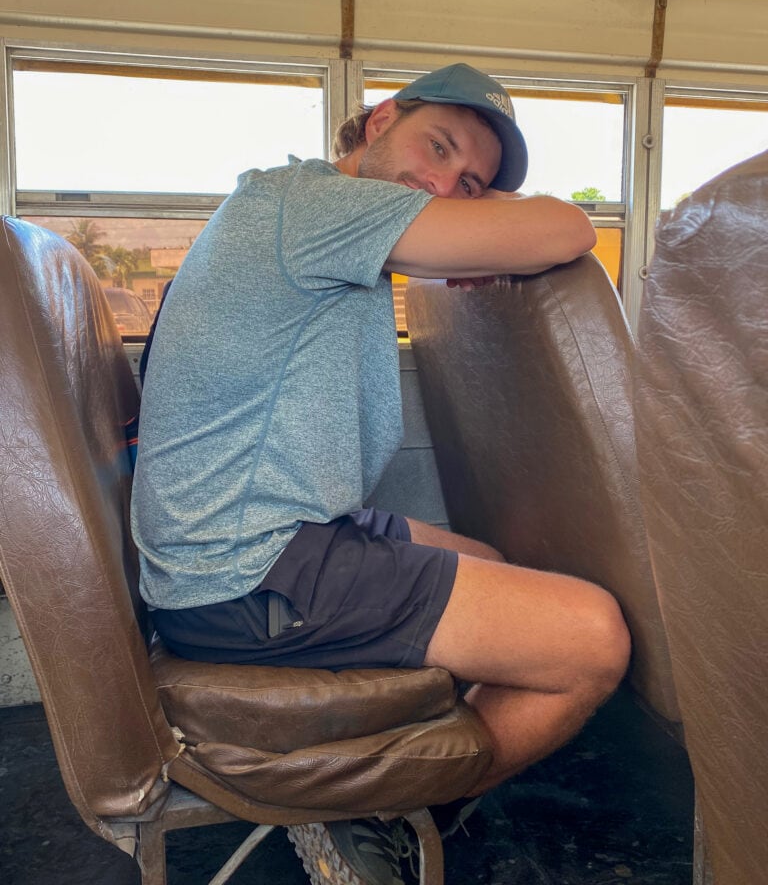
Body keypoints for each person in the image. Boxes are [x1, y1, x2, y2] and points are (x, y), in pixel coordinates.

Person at [131, 63, 630, 885]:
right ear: (378, 118)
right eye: (437, 147)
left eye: (466, 183)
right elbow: (565, 230)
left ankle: (379, 779)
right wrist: (477, 218)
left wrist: (455, 222)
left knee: (493, 567)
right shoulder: (312, 204)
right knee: (594, 640)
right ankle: (395, 815)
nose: (441, 183)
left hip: (264, 542)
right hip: (247, 572)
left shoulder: (306, 209)